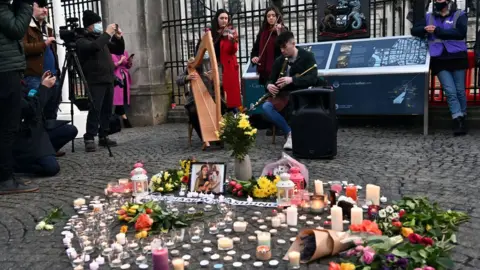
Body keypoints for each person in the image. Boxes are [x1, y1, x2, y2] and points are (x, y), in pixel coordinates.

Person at [411, 0, 468, 136]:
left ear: (448, 2)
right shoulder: (429, 17)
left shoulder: (459, 14)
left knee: (460, 90)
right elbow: (414, 30)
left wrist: (437, 31)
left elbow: (460, 33)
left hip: (457, 56)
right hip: (439, 58)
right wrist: (424, 29)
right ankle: (457, 118)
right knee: (450, 91)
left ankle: (463, 116)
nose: (437, 2)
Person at [0, 0, 39, 195]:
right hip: (6, 71)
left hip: (6, 69)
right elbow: (16, 30)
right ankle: (5, 179)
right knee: (8, 125)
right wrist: (24, 5)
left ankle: (6, 175)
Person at [76, 10, 125, 152]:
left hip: (108, 78)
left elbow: (118, 49)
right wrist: (107, 34)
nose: (99, 25)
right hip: (95, 80)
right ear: (89, 26)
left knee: (106, 109)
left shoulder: (100, 39)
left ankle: (104, 134)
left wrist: (118, 37)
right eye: (96, 23)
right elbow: (94, 47)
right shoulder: (82, 40)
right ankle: (89, 137)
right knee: (95, 109)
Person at [14, 72, 78, 177]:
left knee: (70, 130)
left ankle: (47, 152)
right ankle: (14, 165)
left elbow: (36, 102)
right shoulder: (9, 87)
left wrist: (43, 86)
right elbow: (31, 109)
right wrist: (44, 87)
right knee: (51, 168)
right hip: (24, 135)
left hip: (37, 130)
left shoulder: (20, 83)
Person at [264, 31, 319, 150]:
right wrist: (269, 86)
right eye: (280, 48)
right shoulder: (280, 60)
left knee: (294, 105)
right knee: (266, 107)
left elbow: (313, 78)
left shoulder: (307, 56)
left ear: (293, 44)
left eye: (284, 47)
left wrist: (292, 80)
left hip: (301, 93)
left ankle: (295, 134)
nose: (282, 50)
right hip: (283, 95)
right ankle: (289, 132)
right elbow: (270, 79)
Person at [22, 0, 61, 123]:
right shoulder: (25, 26)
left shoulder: (47, 27)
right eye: (41, 7)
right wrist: (43, 44)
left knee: (51, 113)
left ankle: (51, 140)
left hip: (52, 76)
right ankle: (38, 141)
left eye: (46, 7)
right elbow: (23, 48)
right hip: (35, 77)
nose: (45, 10)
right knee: (36, 112)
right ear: (31, 7)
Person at [176, 56, 227, 141]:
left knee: (220, 107)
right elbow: (178, 80)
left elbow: (224, 83)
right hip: (194, 100)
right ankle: (204, 136)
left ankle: (219, 133)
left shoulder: (216, 64)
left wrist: (214, 79)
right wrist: (187, 77)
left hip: (213, 96)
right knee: (193, 111)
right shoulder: (192, 65)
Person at [207, 9, 242, 111]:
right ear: (217, 20)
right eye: (221, 18)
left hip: (228, 67)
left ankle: (235, 119)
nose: (224, 20)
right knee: (218, 94)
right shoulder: (212, 33)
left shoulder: (231, 32)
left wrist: (232, 41)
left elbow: (233, 50)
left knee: (230, 98)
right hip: (215, 66)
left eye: (226, 18)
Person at [250, 7, 287, 86]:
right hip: (265, 70)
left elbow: (285, 45)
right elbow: (256, 48)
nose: (271, 18)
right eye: (268, 16)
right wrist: (254, 57)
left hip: (279, 68)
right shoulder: (263, 31)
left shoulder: (283, 29)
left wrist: (279, 32)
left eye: (273, 15)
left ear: (277, 17)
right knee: (268, 93)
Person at [112, 50, 133, 128]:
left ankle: (120, 119)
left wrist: (129, 61)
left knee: (123, 98)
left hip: (124, 76)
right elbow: (111, 65)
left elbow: (127, 66)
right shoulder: (110, 52)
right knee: (118, 98)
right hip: (116, 77)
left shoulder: (124, 52)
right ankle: (125, 118)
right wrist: (120, 61)